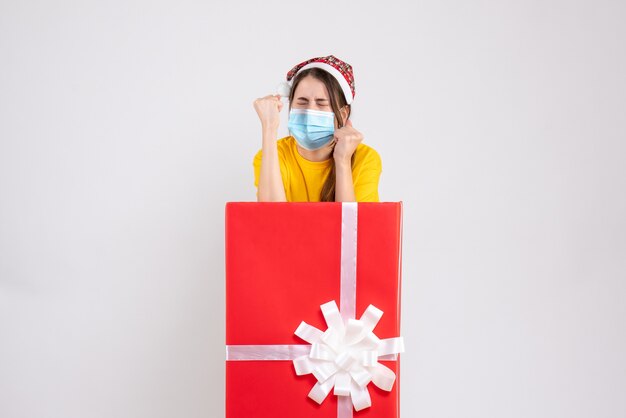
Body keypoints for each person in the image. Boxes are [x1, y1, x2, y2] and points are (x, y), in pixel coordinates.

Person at [252, 55, 382, 202]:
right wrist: (269, 128)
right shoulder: (272, 155)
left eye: (321, 103)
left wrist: (343, 161)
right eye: (302, 102)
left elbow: (351, 223)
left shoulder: (365, 159)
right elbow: (271, 219)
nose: (309, 111)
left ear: (343, 113)